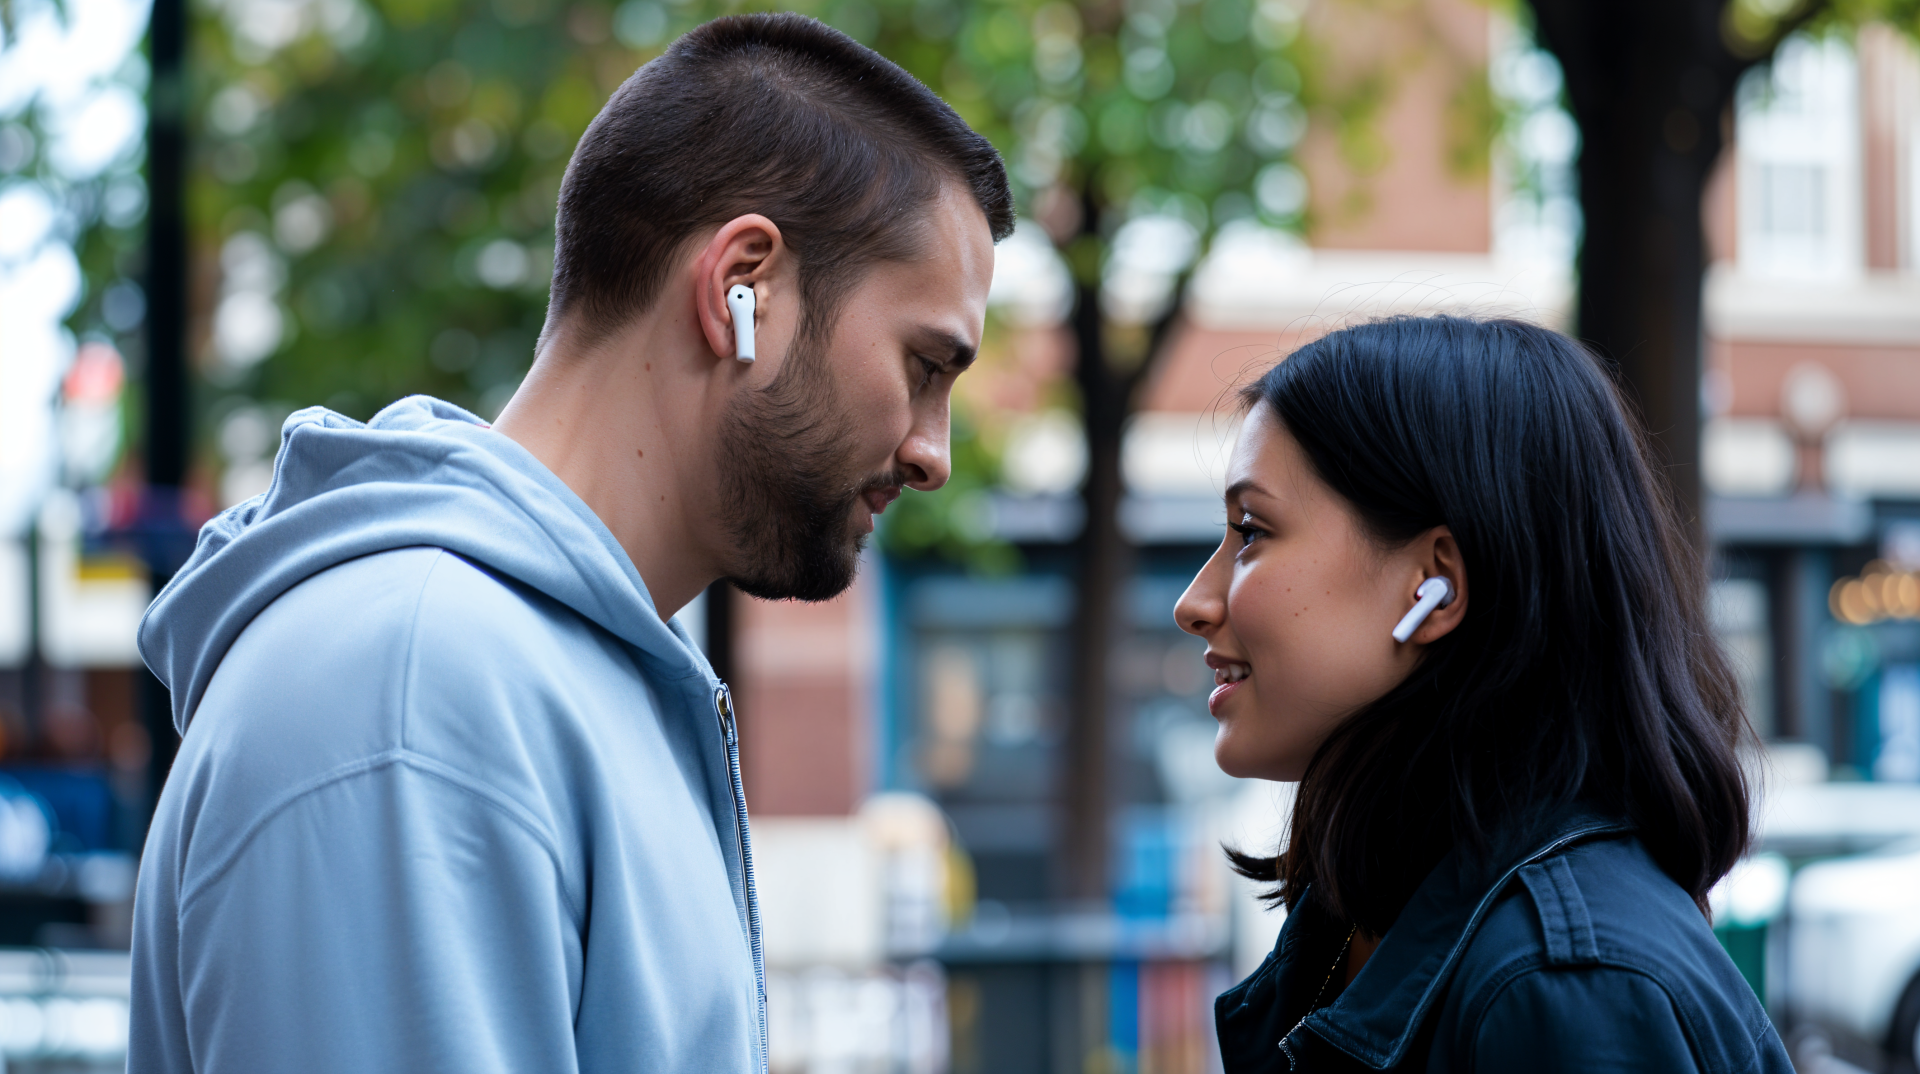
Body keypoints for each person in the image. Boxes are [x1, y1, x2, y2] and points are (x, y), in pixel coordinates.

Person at [128, 14, 1010, 1073]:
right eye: (924, 366)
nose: (932, 454)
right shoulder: (419, 684)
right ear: (745, 286)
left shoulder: (548, 673)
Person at [1175, 315, 1793, 1073]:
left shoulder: (1564, 987)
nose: (1195, 603)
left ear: (1436, 588)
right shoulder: (1376, 916)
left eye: (1252, 530)